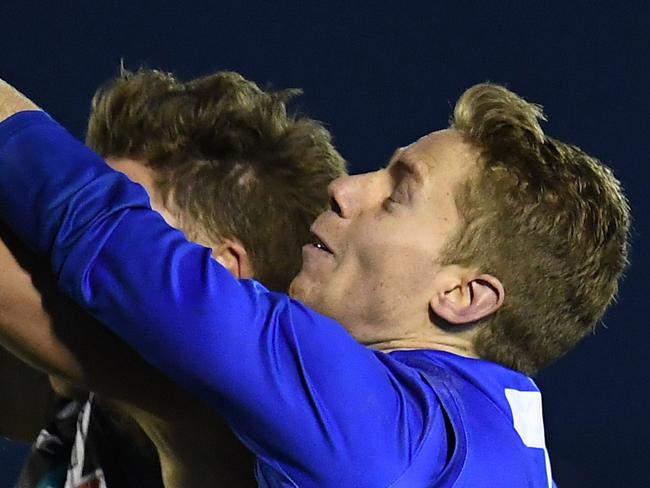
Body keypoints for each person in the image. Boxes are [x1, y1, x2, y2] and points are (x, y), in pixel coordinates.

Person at [0, 79, 629, 487]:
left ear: (463, 296)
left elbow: (113, 239)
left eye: (396, 196)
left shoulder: (387, 434)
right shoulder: (479, 428)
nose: (346, 188)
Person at [0, 69, 346, 487]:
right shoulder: (88, 399)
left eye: (124, 224)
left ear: (219, 273)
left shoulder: (227, 434)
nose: (75, 256)